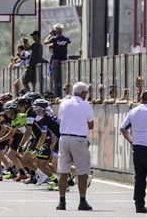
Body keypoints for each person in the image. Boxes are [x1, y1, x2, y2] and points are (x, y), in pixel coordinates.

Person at [56, 82, 93, 211]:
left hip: (64, 138)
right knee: (82, 172)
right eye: (86, 93)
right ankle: (82, 201)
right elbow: (91, 124)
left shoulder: (64, 103)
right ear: (83, 93)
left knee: (63, 171)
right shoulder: (85, 105)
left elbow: (61, 118)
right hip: (79, 139)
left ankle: (62, 201)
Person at [120, 90, 147, 213]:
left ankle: (139, 205)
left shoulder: (134, 111)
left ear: (141, 98)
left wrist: (131, 141)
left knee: (139, 177)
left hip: (137, 147)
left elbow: (123, 128)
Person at [44, 23, 71, 98]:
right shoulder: (66, 39)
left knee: (55, 80)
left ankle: (56, 97)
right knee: (64, 79)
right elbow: (68, 41)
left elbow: (45, 42)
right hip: (64, 60)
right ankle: (65, 95)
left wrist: (50, 35)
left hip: (56, 60)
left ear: (55, 31)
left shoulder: (54, 39)